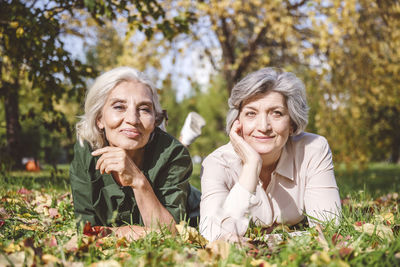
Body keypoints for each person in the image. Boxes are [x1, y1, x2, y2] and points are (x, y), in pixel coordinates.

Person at [199, 67, 341, 242]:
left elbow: (329, 226)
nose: (263, 126)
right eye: (251, 114)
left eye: (276, 113)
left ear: (292, 124)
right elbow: (212, 235)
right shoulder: (216, 163)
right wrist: (251, 165)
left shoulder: (313, 149)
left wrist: (258, 244)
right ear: (238, 122)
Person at [70, 66, 200, 241]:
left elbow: (170, 234)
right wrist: (126, 231)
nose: (132, 119)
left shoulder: (174, 153)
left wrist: (138, 181)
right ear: (99, 118)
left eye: (144, 109)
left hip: (196, 209)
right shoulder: (86, 150)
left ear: (154, 120)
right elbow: (86, 229)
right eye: (119, 107)